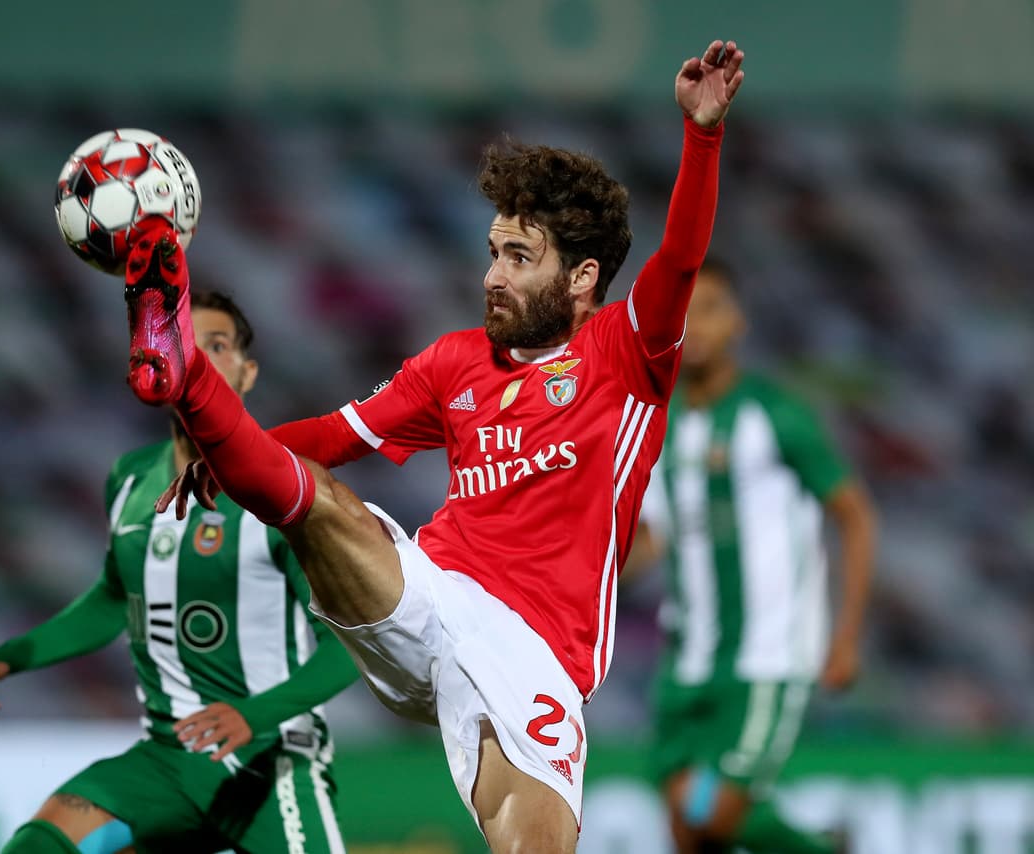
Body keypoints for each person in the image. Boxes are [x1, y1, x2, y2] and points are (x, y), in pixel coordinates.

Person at [122, 40, 745, 853]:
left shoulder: (627, 356)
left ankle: (194, 390)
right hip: (430, 596)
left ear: (584, 278)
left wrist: (702, 136)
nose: (493, 274)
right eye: (493, 253)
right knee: (319, 501)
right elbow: (328, 438)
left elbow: (683, 257)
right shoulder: (453, 362)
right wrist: (215, 452)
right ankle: (185, 377)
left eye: (519, 258)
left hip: (537, 654)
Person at [0, 291, 357, 854]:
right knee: (39, 845)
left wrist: (252, 716)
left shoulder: (285, 490)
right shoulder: (129, 479)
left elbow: (349, 645)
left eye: (217, 345)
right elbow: (112, 598)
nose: (200, 356)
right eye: (186, 343)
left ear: (247, 373)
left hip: (268, 766)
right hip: (165, 764)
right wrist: (13, 655)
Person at [629, 259, 877, 854]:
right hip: (687, 656)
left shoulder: (775, 413)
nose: (695, 327)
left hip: (766, 655)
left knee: (715, 814)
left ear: (737, 321)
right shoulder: (655, 423)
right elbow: (657, 535)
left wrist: (845, 636)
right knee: (687, 830)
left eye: (709, 309)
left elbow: (855, 515)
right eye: (682, 314)